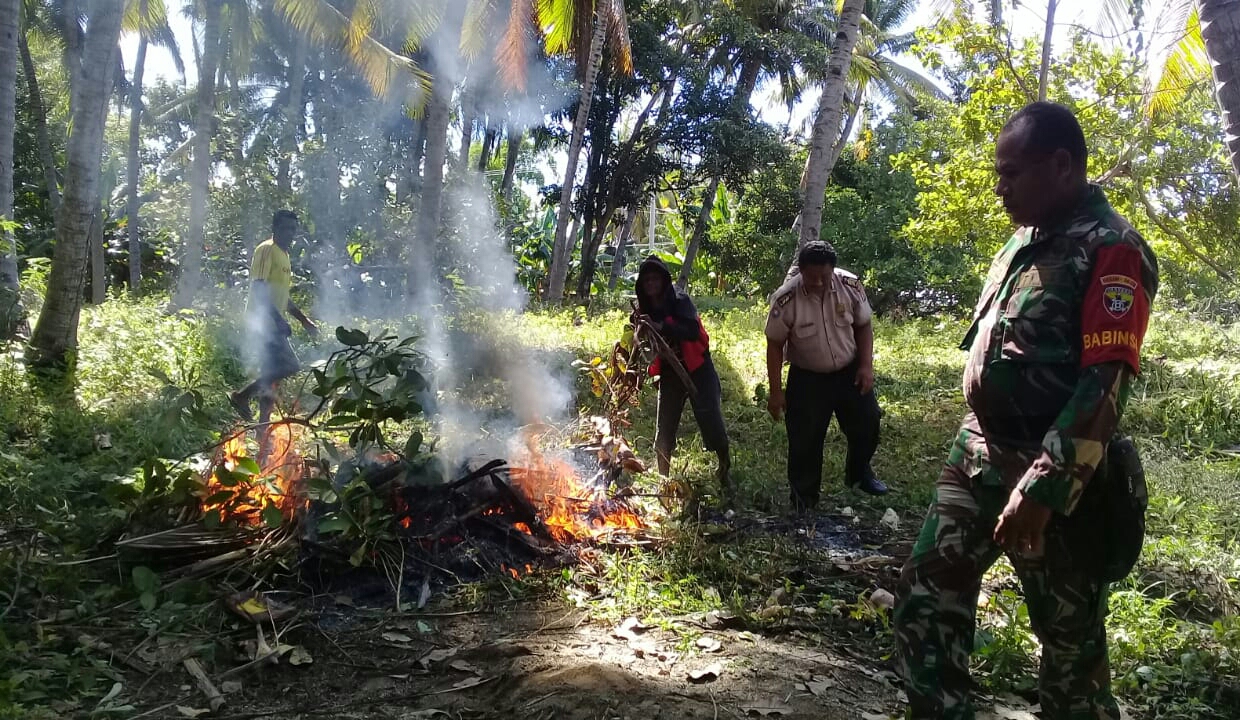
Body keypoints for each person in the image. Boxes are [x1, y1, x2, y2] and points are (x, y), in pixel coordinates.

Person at [893, 102, 1158, 719]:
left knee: (1070, 649)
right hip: (979, 454)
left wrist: (1044, 486)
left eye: (1012, 173)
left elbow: (1104, 384)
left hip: (1057, 475)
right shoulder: (1023, 240)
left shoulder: (1112, 248)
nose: (1000, 186)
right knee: (925, 595)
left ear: (1061, 165)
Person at [764, 240, 888, 511]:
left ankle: (859, 473)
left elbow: (864, 325)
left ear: (833, 269)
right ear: (801, 271)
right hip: (807, 378)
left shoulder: (850, 285)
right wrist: (775, 392)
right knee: (804, 440)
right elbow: (774, 345)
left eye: (824, 275)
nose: (819, 282)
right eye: (812, 276)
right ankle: (804, 499)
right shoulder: (786, 298)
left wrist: (866, 366)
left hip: (849, 371)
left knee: (868, 423)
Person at [634, 256, 733, 503]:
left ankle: (724, 468)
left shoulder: (680, 301)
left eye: (655, 278)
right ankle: (662, 481)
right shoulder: (643, 307)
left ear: (664, 280)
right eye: (647, 280)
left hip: (698, 368)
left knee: (711, 420)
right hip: (669, 373)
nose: (651, 283)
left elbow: (690, 330)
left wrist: (662, 326)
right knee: (664, 430)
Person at [229, 210, 319, 424]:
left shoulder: (284, 256)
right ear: (275, 228)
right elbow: (259, 288)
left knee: (271, 376)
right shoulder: (267, 250)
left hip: (272, 323)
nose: (290, 233)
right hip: (262, 322)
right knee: (289, 366)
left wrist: (303, 320)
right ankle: (241, 396)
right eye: (286, 228)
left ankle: (262, 430)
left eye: (293, 230)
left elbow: (282, 297)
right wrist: (278, 320)